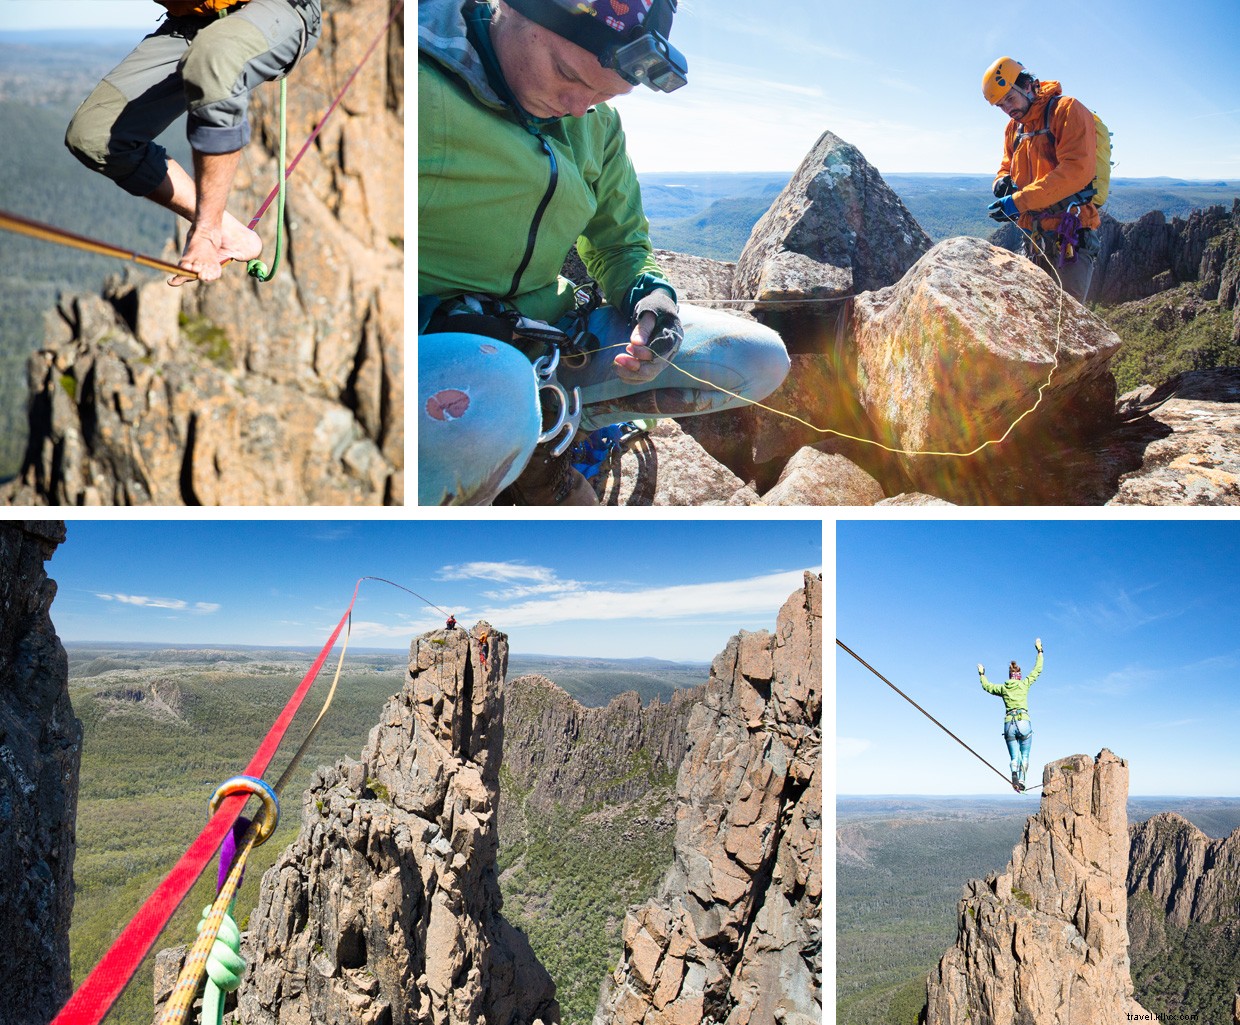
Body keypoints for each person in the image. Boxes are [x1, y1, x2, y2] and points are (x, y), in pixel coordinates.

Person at [418, 0, 791, 505]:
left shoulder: (598, 126)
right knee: (494, 398)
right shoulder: (421, 76)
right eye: (567, 73)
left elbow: (619, 243)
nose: (577, 108)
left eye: (602, 95)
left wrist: (653, 300)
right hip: (441, 352)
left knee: (758, 358)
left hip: (547, 333)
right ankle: (505, 448)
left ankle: (553, 427)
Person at [64, 0, 322, 285]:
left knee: (214, 56)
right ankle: (229, 232)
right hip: (191, 20)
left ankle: (208, 231)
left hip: (275, 7)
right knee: (93, 136)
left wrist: (204, 228)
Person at [982, 57, 1101, 303]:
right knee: (1032, 315)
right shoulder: (1014, 128)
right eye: (1001, 106)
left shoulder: (1067, 111)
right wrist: (1002, 180)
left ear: (1027, 85)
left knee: (1066, 319)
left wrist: (1018, 202)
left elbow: (1075, 171)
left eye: (1010, 100)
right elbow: (1007, 162)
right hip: (1034, 236)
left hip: (1071, 235)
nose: (1007, 109)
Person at [978, 637, 1043, 791]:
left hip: (1009, 724)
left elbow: (988, 687)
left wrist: (982, 674)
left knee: (1014, 757)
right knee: (1024, 755)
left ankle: (1014, 772)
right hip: (1023, 722)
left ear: (1009, 676)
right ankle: (1021, 782)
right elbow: (1037, 670)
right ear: (1019, 675)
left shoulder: (1003, 688)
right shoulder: (1024, 684)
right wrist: (1040, 651)